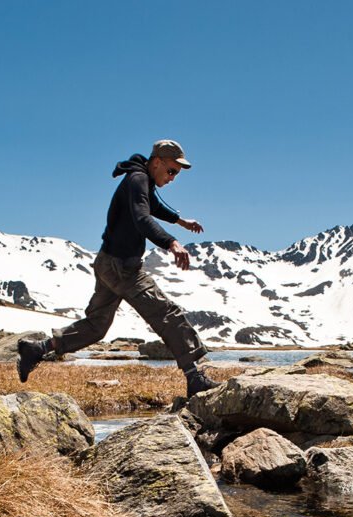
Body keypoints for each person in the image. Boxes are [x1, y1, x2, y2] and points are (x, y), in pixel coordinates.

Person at [16, 139, 220, 396]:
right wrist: (172, 243)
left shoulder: (139, 180)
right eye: (171, 171)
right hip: (123, 268)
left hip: (106, 263)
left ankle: (37, 349)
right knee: (167, 313)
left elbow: (152, 205)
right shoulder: (138, 180)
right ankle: (195, 377)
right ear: (156, 162)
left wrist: (180, 220)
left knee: (97, 326)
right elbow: (142, 217)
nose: (173, 178)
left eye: (176, 174)